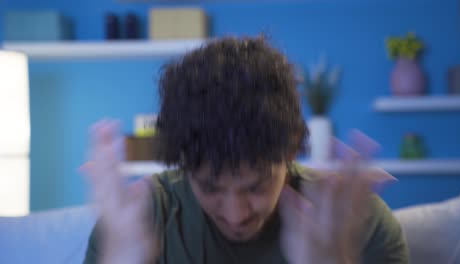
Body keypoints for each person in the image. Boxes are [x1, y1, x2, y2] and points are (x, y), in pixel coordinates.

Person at [83, 36, 409, 264]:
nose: (236, 214)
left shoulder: (359, 226)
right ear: (183, 163)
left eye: (256, 186)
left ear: (293, 148)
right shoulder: (134, 225)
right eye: (210, 186)